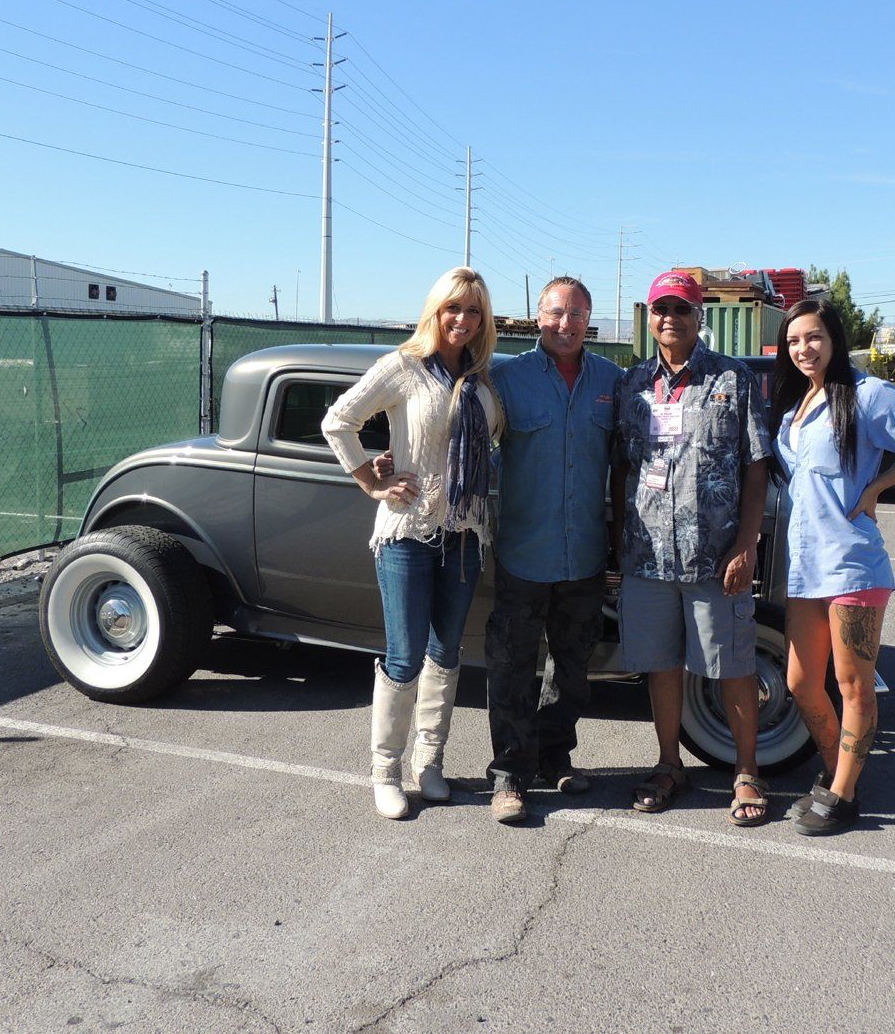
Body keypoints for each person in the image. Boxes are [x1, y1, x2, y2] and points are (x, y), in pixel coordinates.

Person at [321, 267, 504, 820]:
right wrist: (372, 480)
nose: (462, 320)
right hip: (409, 530)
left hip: (465, 534)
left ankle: (430, 762)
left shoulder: (483, 378)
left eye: (473, 311)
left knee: (446, 651)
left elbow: (494, 442)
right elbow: (339, 420)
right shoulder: (403, 367)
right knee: (404, 655)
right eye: (453, 308)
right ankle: (385, 770)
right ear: (435, 311)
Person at [769, 298, 895, 836]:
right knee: (802, 683)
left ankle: (844, 793)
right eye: (795, 340)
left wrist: (876, 487)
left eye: (815, 337)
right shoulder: (798, 407)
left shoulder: (867, 395)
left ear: (834, 340)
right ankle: (840, 769)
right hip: (804, 566)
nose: (804, 348)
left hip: (853, 564)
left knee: (853, 685)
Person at [611, 271, 773, 827]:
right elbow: (620, 470)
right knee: (660, 664)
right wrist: (617, 544)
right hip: (646, 554)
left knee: (731, 663)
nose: (670, 318)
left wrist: (746, 544)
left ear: (699, 315)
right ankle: (668, 763)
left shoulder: (733, 377)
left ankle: (747, 771)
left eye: (681, 308)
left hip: (714, 554)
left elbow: (757, 466)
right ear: (649, 317)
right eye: (661, 309)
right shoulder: (632, 383)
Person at [483, 277, 623, 825]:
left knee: (571, 671)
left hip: (584, 558)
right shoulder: (505, 380)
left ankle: (552, 757)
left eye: (578, 313)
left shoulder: (612, 382)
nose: (566, 324)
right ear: (537, 317)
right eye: (556, 313)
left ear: (591, 319)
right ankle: (509, 775)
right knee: (513, 669)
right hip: (523, 554)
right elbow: (457, 436)